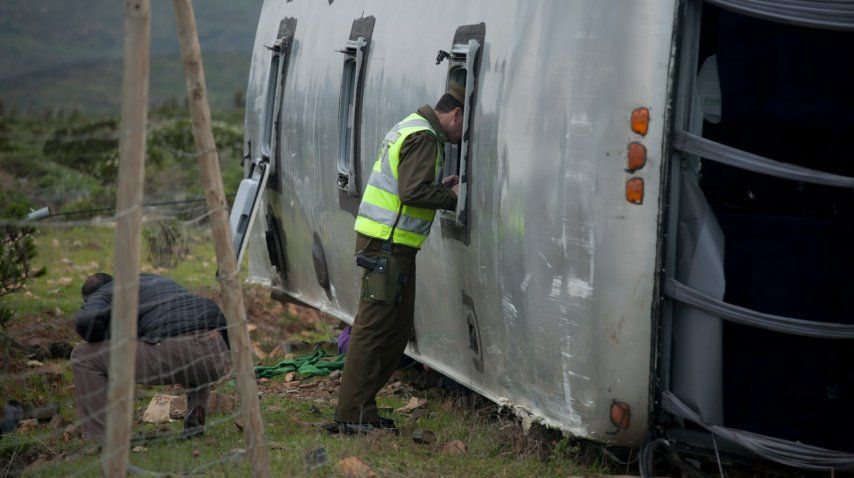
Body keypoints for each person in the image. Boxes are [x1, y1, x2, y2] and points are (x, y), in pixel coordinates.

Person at [332, 84, 465, 434]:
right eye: (464, 127)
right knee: (374, 328)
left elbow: (408, 185)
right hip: (387, 248)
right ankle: (351, 413)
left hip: (390, 246)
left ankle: (362, 407)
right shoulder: (425, 137)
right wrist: (450, 196)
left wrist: (439, 185)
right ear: (456, 114)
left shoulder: (409, 126)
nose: (463, 135)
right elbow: (412, 191)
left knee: (395, 329)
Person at [70, 272, 229, 441]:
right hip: (216, 351)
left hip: (180, 349)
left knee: (82, 356)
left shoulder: (104, 292)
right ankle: (194, 424)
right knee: (191, 350)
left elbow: (86, 320)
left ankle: (100, 438)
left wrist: (105, 339)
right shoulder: (155, 281)